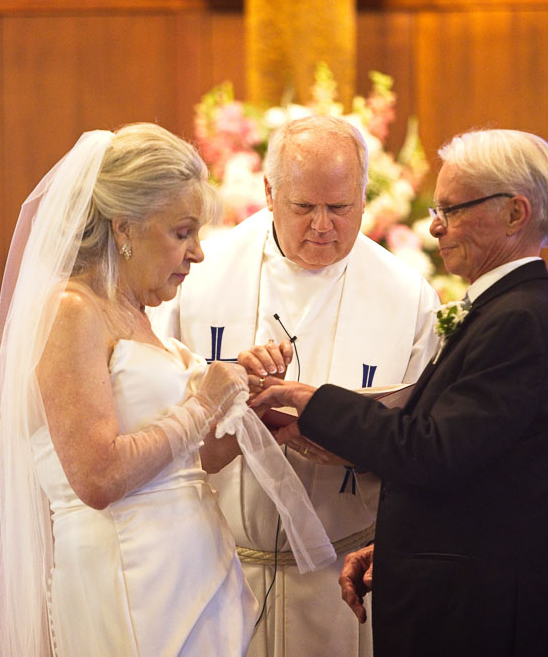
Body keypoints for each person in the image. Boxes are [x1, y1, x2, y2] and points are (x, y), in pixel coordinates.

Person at [0, 124, 332, 657]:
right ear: (124, 228)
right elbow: (98, 476)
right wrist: (203, 404)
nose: (197, 254)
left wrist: (250, 413)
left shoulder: (138, 315)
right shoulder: (71, 311)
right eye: (182, 232)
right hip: (128, 574)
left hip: (190, 568)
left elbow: (187, 461)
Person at [254, 128, 548, 656]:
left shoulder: (522, 319)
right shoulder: (504, 311)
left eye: (451, 209)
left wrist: (315, 402)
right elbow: (475, 474)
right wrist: (399, 549)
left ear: (516, 214)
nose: (434, 227)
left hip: (475, 618)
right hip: (455, 598)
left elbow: (432, 449)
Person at [151, 114, 439, 656]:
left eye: (341, 207)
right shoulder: (200, 277)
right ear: (269, 193)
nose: (323, 226)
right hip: (219, 569)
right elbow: (159, 412)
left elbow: (422, 445)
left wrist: (351, 444)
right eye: (305, 207)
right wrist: (231, 393)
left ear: (363, 195)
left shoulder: (409, 298)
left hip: (345, 580)